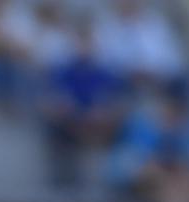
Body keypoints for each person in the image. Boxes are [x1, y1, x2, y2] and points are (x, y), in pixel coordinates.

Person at [41, 25, 130, 187]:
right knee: (55, 124)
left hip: (99, 122)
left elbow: (115, 98)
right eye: (80, 43)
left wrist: (104, 111)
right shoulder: (63, 71)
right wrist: (67, 109)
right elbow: (54, 98)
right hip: (71, 121)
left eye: (87, 43)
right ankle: (64, 177)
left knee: (123, 125)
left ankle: (115, 178)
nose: (84, 48)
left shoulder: (105, 72)